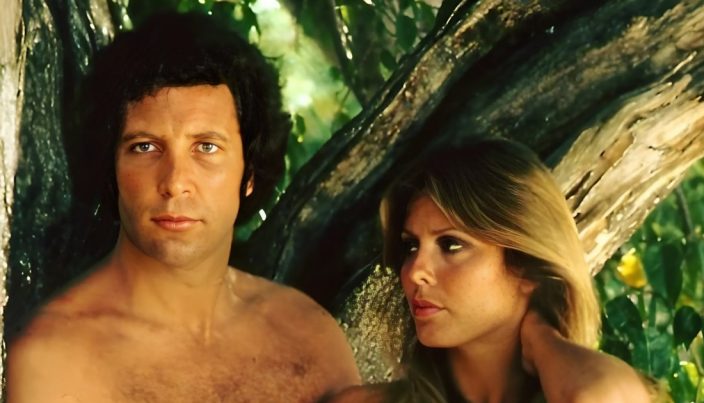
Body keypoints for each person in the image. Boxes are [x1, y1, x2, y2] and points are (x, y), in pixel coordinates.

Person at [6, 12, 360, 402]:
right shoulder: (55, 362)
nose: (175, 182)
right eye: (145, 147)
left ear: (249, 173)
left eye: (206, 147)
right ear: (111, 168)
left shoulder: (310, 335)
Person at [331, 138, 655, 402]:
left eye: (451, 245)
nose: (415, 271)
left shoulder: (581, 387)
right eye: (411, 246)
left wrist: (542, 340)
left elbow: (605, 396)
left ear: (527, 268)